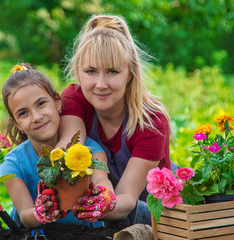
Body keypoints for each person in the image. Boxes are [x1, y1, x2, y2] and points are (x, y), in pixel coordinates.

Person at [58, 15, 176, 226]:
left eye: (112, 72)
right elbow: (69, 145)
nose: (101, 84)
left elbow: (126, 200)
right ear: (78, 71)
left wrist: (96, 205)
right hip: (101, 203)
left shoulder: (151, 122)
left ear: (129, 73)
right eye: (91, 71)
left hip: (146, 212)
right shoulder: (74, 99)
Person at [0, 64, 116, 229]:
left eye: (41, 104)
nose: (37, 117)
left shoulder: (90, 150)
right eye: (23, 113)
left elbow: (102, 180)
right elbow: (25, 215)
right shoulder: (12, 164)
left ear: (57, 102)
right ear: (15, 123)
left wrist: (104, 197)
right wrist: (41, 213)